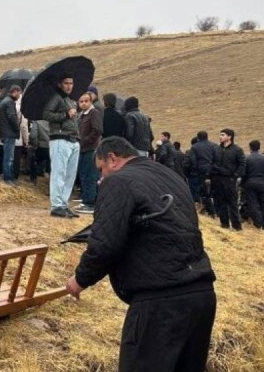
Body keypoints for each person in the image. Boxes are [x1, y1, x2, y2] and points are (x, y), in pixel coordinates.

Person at [65, 136, 217, 372]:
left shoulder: (118, 182)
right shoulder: (170, 176)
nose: (100, 178)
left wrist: (80, 279)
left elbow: (105, 244)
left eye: (101, 169)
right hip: (202, 294)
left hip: (160, 303)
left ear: (112, 159)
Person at [43, 75, 80, 218]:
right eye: (66, 83)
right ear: (60, 84)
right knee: (59, 173)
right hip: (60, 138)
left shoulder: (70, 100)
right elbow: (46, 114)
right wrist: (65, 114)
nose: (69, 86)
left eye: (71, 83)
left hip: (73, 138)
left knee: (70, 175)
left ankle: (63, 204)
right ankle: (57, 205)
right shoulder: (56, 98)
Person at [210, 129, 246, 231]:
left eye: (223, 135)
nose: (220, 137)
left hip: (230, 180)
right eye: (220, 135)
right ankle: (224, 224)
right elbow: (211, 162)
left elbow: (242, 164)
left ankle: (236, 226)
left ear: (229, 137)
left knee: (232, 203)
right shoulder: (216, 149)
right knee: (221, 203)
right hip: (218, 179)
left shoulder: (237, 150)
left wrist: (235, 175)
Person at [75, 92, 104, 213]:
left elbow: (97, 130)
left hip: (90, 149)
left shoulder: (94, 113)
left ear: (91, 101)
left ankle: (90, 202)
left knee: (90, 175)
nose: (83, 103)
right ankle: (87, 199)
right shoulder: (81, 115)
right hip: (82, 149)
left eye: (86, 101)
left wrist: (85, 141)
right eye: (81, 101)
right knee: (84, 174)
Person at [0, 85, 23, 184]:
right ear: (15, 91)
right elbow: (12, 117)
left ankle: (10, 177)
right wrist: (17, 128)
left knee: (9, 157)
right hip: (9, 133)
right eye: (19, 93)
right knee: (9, 158)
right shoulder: (9, 102)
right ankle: (7, 178)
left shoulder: (7, 101)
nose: (19, 96)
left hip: (7, 133)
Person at [190, 131, 218, 217]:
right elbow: (217, 158)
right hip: (214, 171)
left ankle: (211, 211)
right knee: (215, 191)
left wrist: (196, 170)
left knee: (204, 192)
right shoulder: (214, 145)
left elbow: (193, 161)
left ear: (198, 138)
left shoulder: (194, 147)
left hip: (201, 172)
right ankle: (217, 211)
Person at [243, 140, 264, 229]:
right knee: (262, 203)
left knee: (253, 203)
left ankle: (258, 223)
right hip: (262, 183)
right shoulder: (263, 158)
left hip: (250, 183)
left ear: (250, 148)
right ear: (259, 147)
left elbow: (243, 173)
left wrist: (242, 184)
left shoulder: (247, 159)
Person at [28, 119, 50, 184]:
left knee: (33, 160)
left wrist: (35, 145)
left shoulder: (37, 123)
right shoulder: (53, 123)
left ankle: (33, 179)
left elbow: (33, 135)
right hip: (51, 147)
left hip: (40, 146)